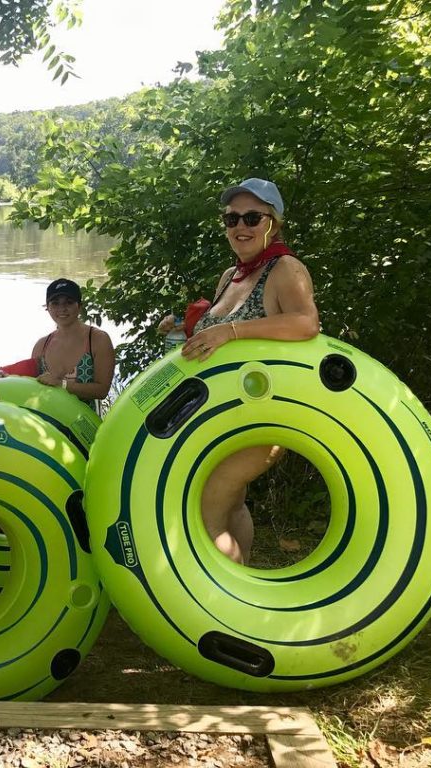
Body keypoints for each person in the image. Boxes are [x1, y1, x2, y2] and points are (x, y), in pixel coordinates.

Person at [158, 178, 319, 564]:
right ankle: (244, 565)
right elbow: (223, 337)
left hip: (262, 414)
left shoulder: (285, 268)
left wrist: (230, 330)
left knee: (206, 508)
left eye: (252, 217)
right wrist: (183, 329)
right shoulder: (231, 277)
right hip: (222, 414)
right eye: (232, 219)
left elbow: (305, 324)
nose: (240, 227)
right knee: (232, 506)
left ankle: (227, 604)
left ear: (273, 223)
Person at [28, 278, 115, 410]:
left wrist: (61, 384)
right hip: (45, 424)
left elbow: (102, 390)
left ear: (79, 306)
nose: (62, 308)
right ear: (47, 308)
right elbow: (30, 385)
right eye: (55, 303)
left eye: (68, 302)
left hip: (83, 425)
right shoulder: (41, 345)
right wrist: (5, 378)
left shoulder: (97, 340)